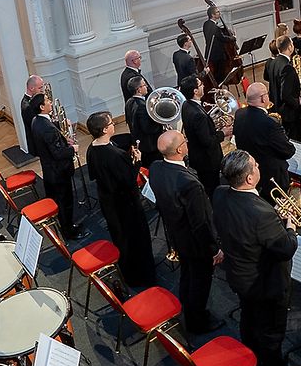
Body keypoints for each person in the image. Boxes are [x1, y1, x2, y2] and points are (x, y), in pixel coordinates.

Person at [212, 151, 301, 366]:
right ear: (250, 179)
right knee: (272, 330)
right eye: (255, 164)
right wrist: (290, 226)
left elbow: (246, 228)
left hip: (239, 274)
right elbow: (285, 249)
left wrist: (274, 218)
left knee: (249, 318)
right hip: (265, 283)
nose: (258, 165)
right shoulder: (261, 214)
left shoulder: (221, 193)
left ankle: (249, 355)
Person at [148, 131, 222, 334]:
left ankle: (187, 308)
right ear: (180, 149)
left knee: (188, 274)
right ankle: (197, 322)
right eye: (184, 140)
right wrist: (213, 250)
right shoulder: (190, 185)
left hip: (176, 235)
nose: (187, 141)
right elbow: (200, 224)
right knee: (201, 280)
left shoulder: (155, 168)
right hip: (195, 243)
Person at [85, 119, 156, 289]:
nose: (113, 125)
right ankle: (142, 276)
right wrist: (137, 161)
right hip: (125, 204)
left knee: (121, 237)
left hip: (109, 201)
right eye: (110, 123)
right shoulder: (114, 155)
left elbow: (96, 174)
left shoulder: (91, 149)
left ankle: (128, 271)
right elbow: (128, 179)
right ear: (103, 129)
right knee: (135, 238)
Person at [31, 92, 81, 239]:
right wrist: (72, 149)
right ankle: (69, 232)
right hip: (58, 172)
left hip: (49, 170)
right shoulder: (47, 127)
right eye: (47, 101)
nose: (50, 102)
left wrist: (64, 140)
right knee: (65, 203)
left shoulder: (36, 121)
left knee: (59, 201)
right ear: (41, 107)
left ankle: (66, 226)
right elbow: (58, 153)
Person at [233, 82, 296, 198]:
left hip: (249, 172)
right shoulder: (270, 123)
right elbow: (288, 151)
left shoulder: (239, 114)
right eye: (267, 94)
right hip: (272, 177)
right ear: (263, 98)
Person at [179, 75, 230, 192]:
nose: (204, 85)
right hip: (208, 161)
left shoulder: (186, 105)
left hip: (197, 156)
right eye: (201, 84)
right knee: (213, 188)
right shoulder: (198, 115)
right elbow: (207, 141)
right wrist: (223, 132)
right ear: (195, 91)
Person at [268, 35, 301, 142]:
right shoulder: (287, 67)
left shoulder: (272, 62)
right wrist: (299, 102)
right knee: (295, 141)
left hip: (276, 108)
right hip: (289, 114)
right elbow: (285, 95)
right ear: (290, 47)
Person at [124, 77, 163, 167]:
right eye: (144, 85)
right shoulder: (141, 106)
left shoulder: (129, 102)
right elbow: (148, 128)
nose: (147, 87)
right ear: (139, 90)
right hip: (149, 146)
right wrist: (161, 124)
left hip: (139, 143)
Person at [203, 3, 236, 83]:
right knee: (219, 74)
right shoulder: (215, 27)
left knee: (215, 73)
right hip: (217, 55)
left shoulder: (206, 24)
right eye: (217, 12)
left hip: (209, 54)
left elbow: (216, 34)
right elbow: (222, 38)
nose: (219, 13)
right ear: (213, 15)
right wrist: (233, 38)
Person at [20, 74, 46, 152]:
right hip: (39, 143)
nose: (42, 90)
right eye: (40, 88)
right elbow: (38, 126)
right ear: (31, 88)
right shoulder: (27, 106)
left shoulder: (34, 99)